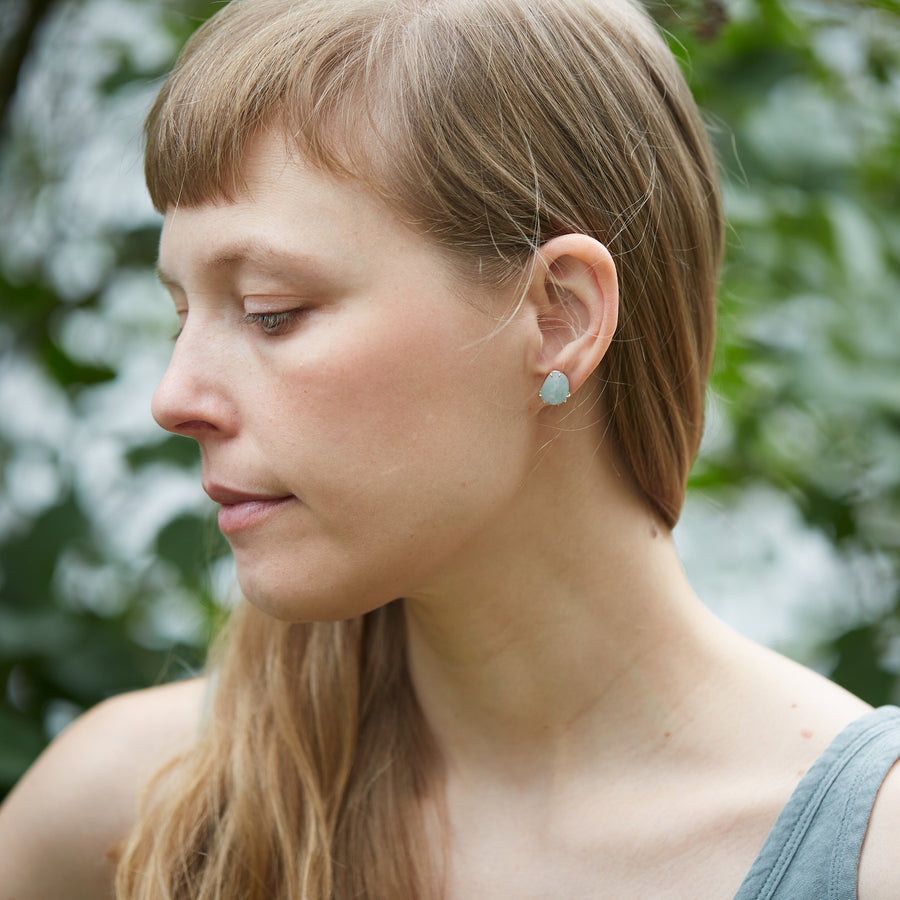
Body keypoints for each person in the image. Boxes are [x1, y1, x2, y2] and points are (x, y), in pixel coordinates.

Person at [1, 0, 898, 897]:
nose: (172, 399)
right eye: (180, 316)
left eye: (273, 310)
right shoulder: (135, 816)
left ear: (559, 318)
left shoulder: (865, 857)